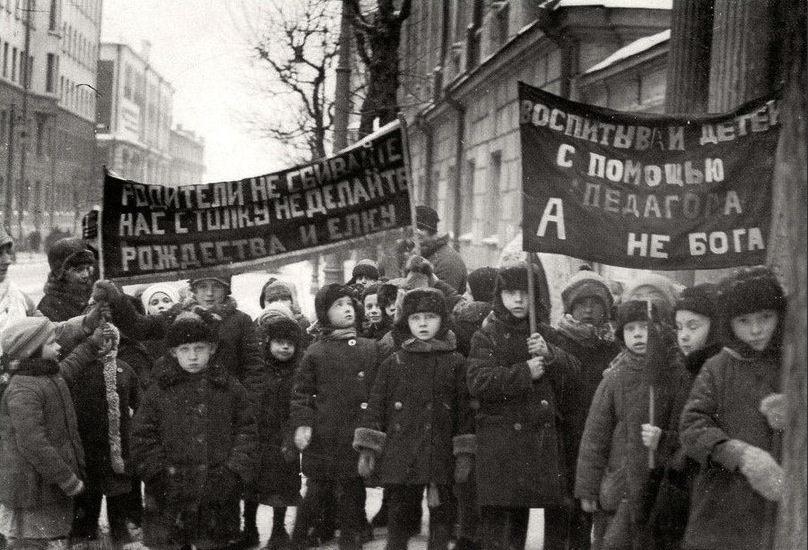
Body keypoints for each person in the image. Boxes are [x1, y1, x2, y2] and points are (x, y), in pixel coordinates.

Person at [467, 262, 580, 550]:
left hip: (539, 445)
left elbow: (575, 373)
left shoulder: (544, 334)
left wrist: (549, 353)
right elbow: (479, 382)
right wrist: (524, 372)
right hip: (503, 445)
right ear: (500, 296)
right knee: (505, 532)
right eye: (511, 293)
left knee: (542, 518)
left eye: (525, 293)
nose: (518, 300)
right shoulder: (487, 335)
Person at [354, 287, 474, 550]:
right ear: (405, 322)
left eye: (429, 317)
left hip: (439, 454)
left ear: (442, 320)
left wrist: (464, 452)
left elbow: (465, 410)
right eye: (416, 318)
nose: (422, 324)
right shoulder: (393, 362)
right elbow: (376, 405)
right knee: (399, 517)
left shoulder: (455, 363)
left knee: (441, 520)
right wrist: (368, 447)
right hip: (402, 454)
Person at [679, 266, 786, 550]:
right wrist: (739, 454)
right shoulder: (717, 368)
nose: (755, 330)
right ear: (729, 324)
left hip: (780, 515)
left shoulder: (792, 364)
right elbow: (691, 426)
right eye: (743, 320)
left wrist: (796, 412)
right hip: (724, 508)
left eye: (765, 317)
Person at [132, 312, 258, 550]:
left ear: (211, 349)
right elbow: (142, 436)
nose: (192, 356)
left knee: (213, 543)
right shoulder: (159, 390)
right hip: (169, 491)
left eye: (199, 348)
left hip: (217, 488)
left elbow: (247, 431)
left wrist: (233, 472)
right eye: (184, 349)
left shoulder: (229, 387)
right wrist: (158, 474)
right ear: (172, 352)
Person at [574, 300, 689, 550]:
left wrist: (664, 438)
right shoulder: (614, 378)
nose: (637, 334)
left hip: (659, 486)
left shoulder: (676, 373)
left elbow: (685, 428)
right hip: (620, 487)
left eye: (644, 327)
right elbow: (595, 437)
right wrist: (588, 489)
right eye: (630, 329)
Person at [289, 284, 380, 550]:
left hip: (355, 434)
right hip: (324, 435)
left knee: (353, 491)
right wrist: (303, 423)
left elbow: (378, 390)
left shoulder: (369, 348)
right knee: (316, 491)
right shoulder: (316, 351)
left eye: (349, 304)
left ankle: (351, 540)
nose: (347, 310)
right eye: (338, 305)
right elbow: (302, 392)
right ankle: (297, 539)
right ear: (324, 313)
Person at [638, 283, 722, 549]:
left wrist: (664, 440)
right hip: (679, 489)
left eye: (693, 326)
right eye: (680, 327)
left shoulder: (714, 373)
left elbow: (706, 437)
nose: (683, 336)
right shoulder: (689, 370)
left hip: (701, 495)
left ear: (715, 326)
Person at [545, 266, 622, 550]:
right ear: (570, 306)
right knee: (557, 514)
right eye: (581, 303)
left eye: (595, 303)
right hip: (561, 438)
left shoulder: (613, 347)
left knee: (585, 515)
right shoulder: (554, 340)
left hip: (595, 443)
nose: (588, 309)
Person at [92, 271, 265, 393]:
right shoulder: (177, 314)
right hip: (181, 401)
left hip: (226, 402)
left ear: (227, 290)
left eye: (217, 286)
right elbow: (140, 328)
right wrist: (117, 301)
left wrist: (247, 410)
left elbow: (254, 370)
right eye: (203, 286)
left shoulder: (241, 321)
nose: (209, 293)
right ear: (194, 289)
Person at [0, 317, 85, 550]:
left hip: (44, 486)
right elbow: (33, 443)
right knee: (29, 543)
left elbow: (69, 367)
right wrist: (66, 478)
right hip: (32, 492)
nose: (59, 347)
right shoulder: (24, 388)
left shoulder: (46, 375)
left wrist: (91, 345)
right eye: (51, 343)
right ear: (32, 351)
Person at [58, 323, 142, 549]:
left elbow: (140, 405)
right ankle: (84, 532)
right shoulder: (80, 371)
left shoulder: (125, 370)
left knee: (118, 491)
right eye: (100, 340)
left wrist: (135, 430)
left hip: (118, 445)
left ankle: (119, 530)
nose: (105, 345)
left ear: (116, 342)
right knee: (89, 492)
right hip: (89, 443)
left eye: (110, 340)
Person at [242, 303, 303, 550]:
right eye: (279, 342)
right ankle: (250, 528)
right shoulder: (258, 371)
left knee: (283, 487)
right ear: (267, 343)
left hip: (283, 440)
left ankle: (278, 530)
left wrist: (292, 436)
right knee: (251, 487)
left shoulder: (299, 373)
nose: (285, 347)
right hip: (258, 439)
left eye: (290, 343)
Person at [37, 237, 97, 322]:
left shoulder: (94, 297)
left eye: (88, 268)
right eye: (79, 270)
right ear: (61, 274)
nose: (86, 275)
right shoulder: (49, 307)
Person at [414, 206, 467, 295]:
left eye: (420, 229)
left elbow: (442, 301)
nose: (413, 234)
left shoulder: (448, 261)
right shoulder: (422, 254)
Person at [259, 278, 313, 351]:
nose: (279, 302)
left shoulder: (302, 323)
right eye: (274, 300)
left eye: (284, 299)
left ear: (291, 301)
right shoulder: (258, 323)